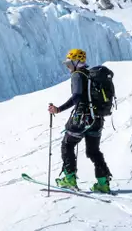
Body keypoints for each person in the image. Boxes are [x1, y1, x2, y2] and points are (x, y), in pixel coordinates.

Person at [47, 49, 112, 193]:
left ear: (76, 62)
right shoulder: (91, 75)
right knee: (93, 151)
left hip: (82, 118)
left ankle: (69, 179)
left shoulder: (78, 75)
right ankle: (103, 183)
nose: (68, 67)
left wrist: (58, 109)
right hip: (97, 118)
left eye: (69, 64)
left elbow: (76, 96)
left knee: (67, 145)